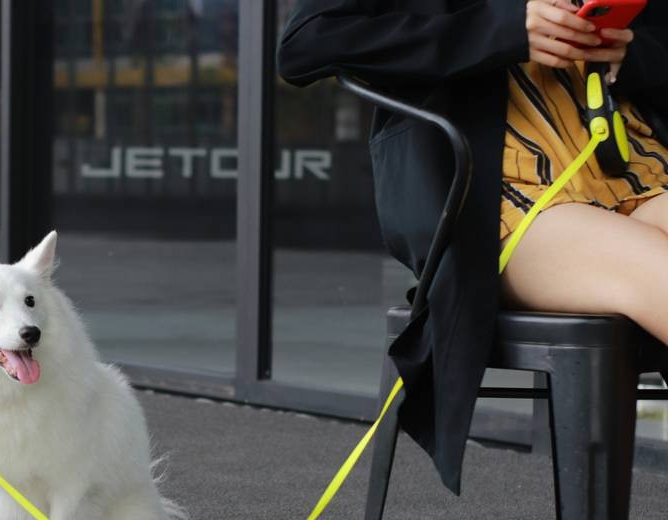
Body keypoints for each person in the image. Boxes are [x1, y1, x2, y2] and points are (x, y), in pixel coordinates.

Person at [278, 0, 668, 493]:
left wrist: (629, 53)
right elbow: (306, 45)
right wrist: (504, 31)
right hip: (505, 198)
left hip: (636, 168)